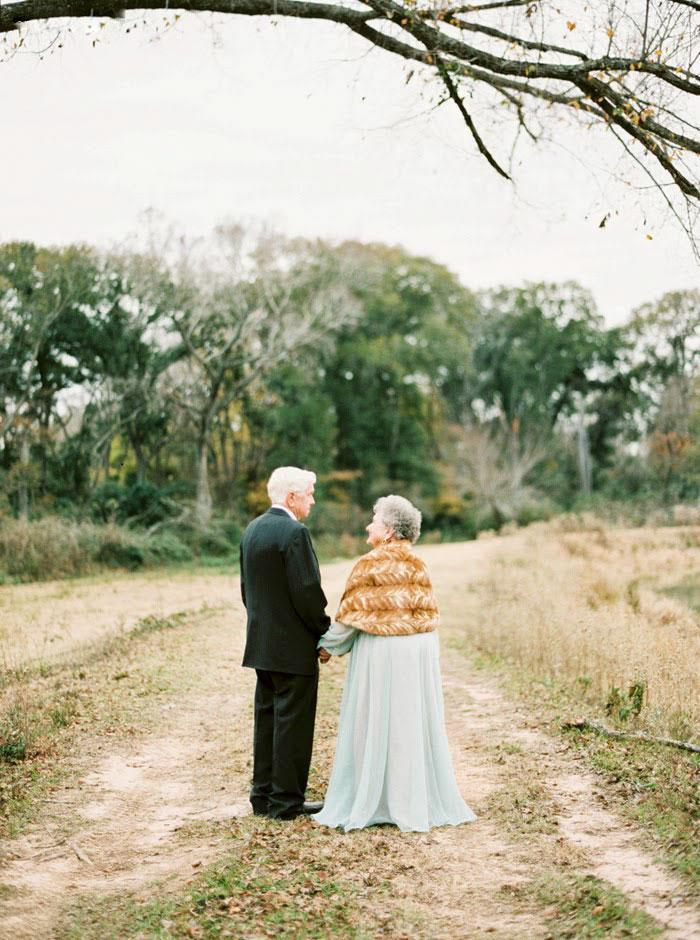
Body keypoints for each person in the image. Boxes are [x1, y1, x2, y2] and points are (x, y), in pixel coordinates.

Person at [312, 494, 476, 832]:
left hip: (384, 649)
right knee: (408, 722)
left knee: (377, 719)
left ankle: (377, 795)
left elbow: (350, 619)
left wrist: (324, 646)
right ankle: (409, 796)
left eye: (374, 520)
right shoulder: (418, 563)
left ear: (388, 531)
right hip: (418, 650)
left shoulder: (370, 564)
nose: (367, 525)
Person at [239, 466, 331, 820]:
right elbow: (307, 591)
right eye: (309, 493)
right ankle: (286, 802)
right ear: (291, 497)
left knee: (268, 721)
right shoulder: (295, 533)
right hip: (292, 647)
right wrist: (322, 631)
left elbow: (247, 591)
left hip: (261, 644)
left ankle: (262, 796)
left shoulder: (253, 530)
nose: (312, 499)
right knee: (292, 723)